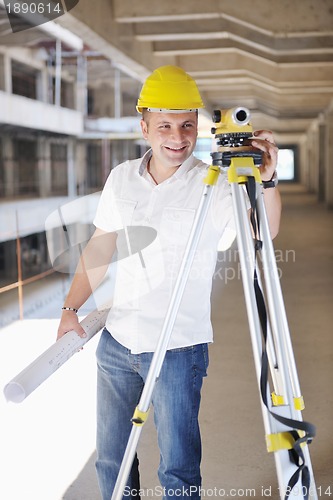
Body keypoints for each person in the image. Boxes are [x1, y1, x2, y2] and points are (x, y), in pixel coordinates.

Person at [57, 65, 281, 500]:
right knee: (112, 459)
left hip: (179, 349)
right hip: (118, 345)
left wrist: (267, 181)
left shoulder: (213, 183)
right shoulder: (122, 177)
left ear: (198, 127)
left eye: (187, 125)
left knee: (177, 468)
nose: (177, 137)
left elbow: (263, 231)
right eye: (164, 126)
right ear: (144, 128)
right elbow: (101, 248)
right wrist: (70, 310)